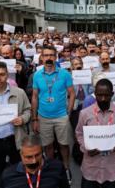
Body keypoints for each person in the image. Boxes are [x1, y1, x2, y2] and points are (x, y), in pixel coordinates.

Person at [31, 46, 75, 184]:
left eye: (51, 55)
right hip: (43, 117)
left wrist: (69, 111)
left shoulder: (65, 74)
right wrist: (34, 119)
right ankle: (50, 169)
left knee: (64, 145)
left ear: (55, 57)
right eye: (46, 55)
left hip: (61, 116)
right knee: (48, 145)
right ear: (42, 57)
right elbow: (34, 97)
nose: (49, 58)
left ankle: (66, 168)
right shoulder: (37, 75)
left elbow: (72, 93)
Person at [76, 78, 115, 188]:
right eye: (99, 95)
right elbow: (79, 133)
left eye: (107, 95)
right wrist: (86, 147)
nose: (103, 99)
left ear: (112, 94)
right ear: (95, 94)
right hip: (91, 167)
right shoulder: (85, 113)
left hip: (111, 166)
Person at [0, 136, 69, 188]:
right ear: (21, 155)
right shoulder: (7, 175)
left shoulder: (57, 167)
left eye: (37, 155)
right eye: (29, 157)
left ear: (42, 152)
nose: (34, 161)